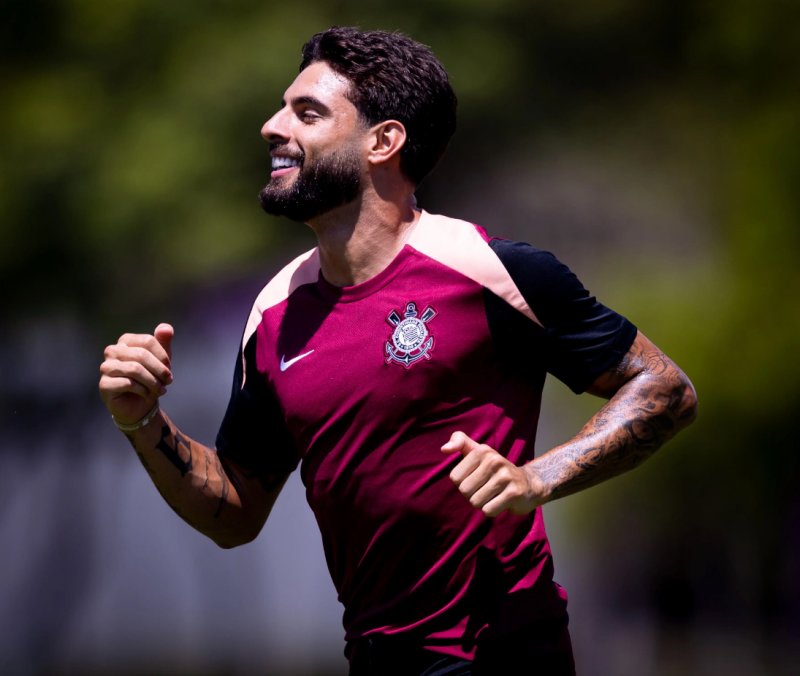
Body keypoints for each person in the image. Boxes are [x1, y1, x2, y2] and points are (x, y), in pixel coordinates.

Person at [98, 26, 698, 676]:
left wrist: (540, 477)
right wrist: (142, 420)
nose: (273, 127)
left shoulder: (493, 272)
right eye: (282, 108)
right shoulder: (274, 316)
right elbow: (235, 510)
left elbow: (663, 387)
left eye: (307, 112)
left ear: (383, 141)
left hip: (503, 657)